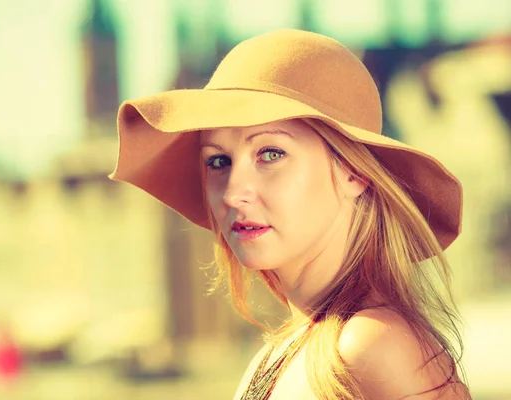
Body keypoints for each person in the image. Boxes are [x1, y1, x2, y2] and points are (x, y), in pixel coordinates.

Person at [109, 29, 471, 399]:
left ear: (354, 172)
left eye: (270, 154)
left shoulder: (373, 347)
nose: (233, 192)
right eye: (218, 161)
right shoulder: (275, 357)